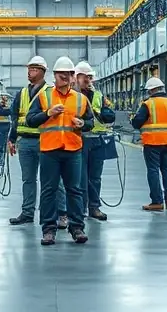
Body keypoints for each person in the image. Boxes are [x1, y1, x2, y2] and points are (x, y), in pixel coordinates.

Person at [25, 56, 94, 245]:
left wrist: (83, 124)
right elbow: (30, 120)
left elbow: (90, 122)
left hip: (73, 150)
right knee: (49, 190)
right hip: (49, 150)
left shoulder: (81, 99)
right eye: (60, 74)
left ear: (72, 76)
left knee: (75, 190)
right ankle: (48, 230)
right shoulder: (44, 96)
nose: (64, 77)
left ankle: (77, 228)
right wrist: (48, 113)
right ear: (54, 75)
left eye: (68, 74)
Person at [6, 55, 68, 227]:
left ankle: (62, 213)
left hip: (45, 140)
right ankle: (27, 212)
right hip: (25, 142)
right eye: (29, 69)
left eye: (33, 69)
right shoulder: (23, 93)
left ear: (42, 72)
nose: (29, 72)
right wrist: (11, 139)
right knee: (28, 179)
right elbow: (15, 117)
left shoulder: (50, 92)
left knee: (54, 180)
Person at [131, 76, 167, 212]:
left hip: (152, 142)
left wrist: (133, 119)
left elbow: (137, 122)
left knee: (153, 170)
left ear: (152, 90)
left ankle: (157, 201)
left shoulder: (148, 104)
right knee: (166, 168)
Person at [74, 61, 116, 220]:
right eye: (86, 77)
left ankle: (94, 207)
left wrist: (100, 109)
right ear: (77, 77)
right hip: (80, 140)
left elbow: (109, 116)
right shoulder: (73, 95)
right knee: (81, 177)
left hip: (97, 141)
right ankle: (82, 208)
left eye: (90, 77)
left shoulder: (98, 95)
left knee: (95, 177)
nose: (89, 80)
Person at [0, 93, 12, 167]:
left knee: (3, 144)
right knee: (0, 144)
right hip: (0, 126)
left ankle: (2, 160)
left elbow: (5, 112)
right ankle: (0, 160)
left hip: (6, 126)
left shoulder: (9, 107)